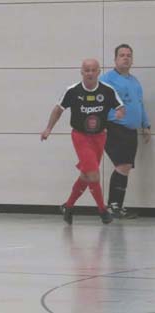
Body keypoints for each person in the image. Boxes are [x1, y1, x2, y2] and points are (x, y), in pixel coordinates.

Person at [40, 59, 125, 225]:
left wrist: (120, 112)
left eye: (93, 70)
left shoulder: (107, 90)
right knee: (93, 174)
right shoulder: (73, 91)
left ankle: (68, 207)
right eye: (87, 70)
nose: (90, 73)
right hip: (81, 137)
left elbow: (120, 106)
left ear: (98, 71)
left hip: (100, 137)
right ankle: (102, 211)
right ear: (82, 72)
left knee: (86, 176)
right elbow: (58, 109)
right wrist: (48, 128)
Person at [100, 44, 151, 219]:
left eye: (129, 55)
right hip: (114, 128)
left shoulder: (134, 81)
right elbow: (100, 104)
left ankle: (116, 206)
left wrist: (146, 125)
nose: (126, 58)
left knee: (126, 167)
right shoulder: (108, 79)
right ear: (115, 59)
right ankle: (113, 206)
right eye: (122, 55)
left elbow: (139, 104)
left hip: (131, 130)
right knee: (122, 165)